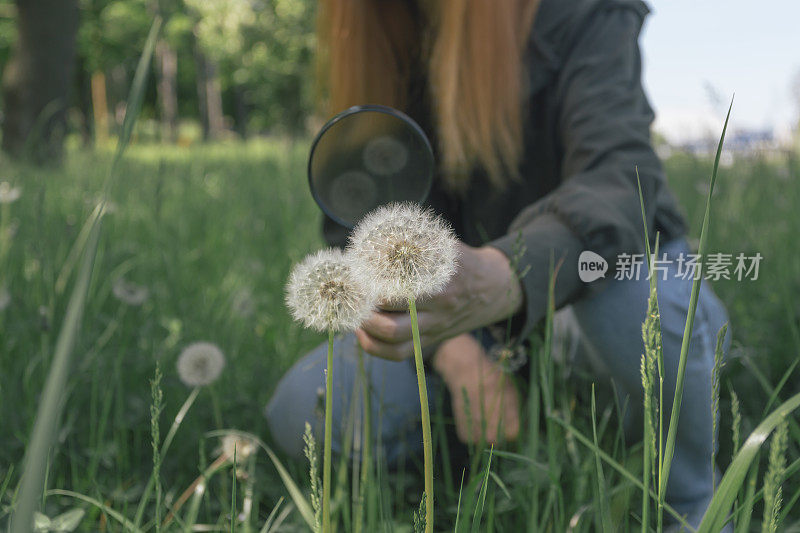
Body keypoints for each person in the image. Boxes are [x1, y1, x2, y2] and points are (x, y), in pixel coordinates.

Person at [266, 0, 731, 528]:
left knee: (636, 298)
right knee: (308, 405)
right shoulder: (376, 30)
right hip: (470, 320)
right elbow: (359, 225)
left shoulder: (584, 13)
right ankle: (505, 447)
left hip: (592, 286)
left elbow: (622, 179)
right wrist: (452, 351)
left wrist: (514, 271)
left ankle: (691, 502)